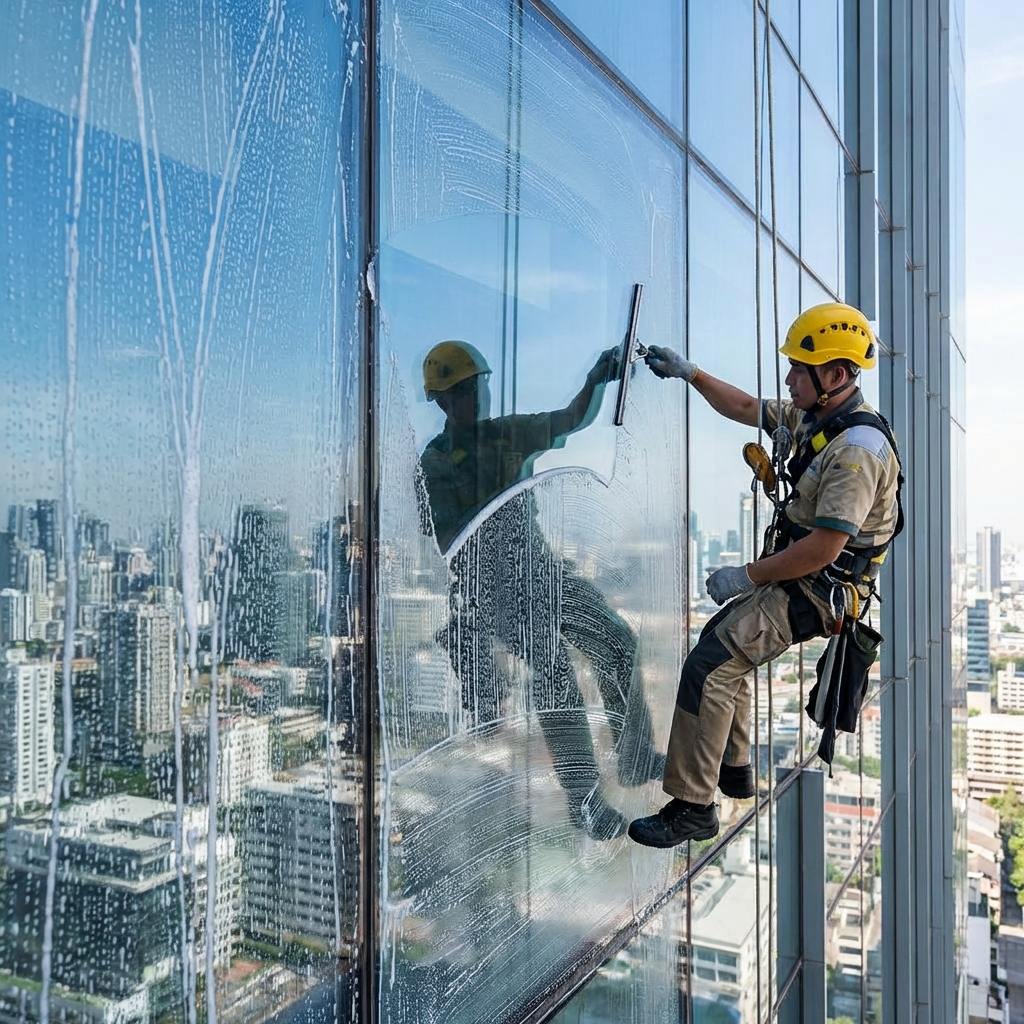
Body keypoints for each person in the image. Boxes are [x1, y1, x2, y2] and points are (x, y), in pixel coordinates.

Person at [627, 302, 902, 848]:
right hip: (801, 578)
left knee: (711, 665)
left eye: (800, 369)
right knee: (719, 644)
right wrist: (692, 374)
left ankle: (692, 807)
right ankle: (732, 767)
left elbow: (825, 547)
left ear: (836, 375)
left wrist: (747, 575)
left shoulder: (857, 451)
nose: (789, 378)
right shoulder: (820, 416)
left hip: (818, 589)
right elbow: (750, 406)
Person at [419, 340, 665, 841]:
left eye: (478, 386)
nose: (477, 397)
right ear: (443, 402)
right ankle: (586, 803)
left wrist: (597, 381)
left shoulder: (505, 434)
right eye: (466, 390)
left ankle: (636, 758)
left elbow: (570, 420)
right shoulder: (436, 461)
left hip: (540, 568)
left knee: (615, 639)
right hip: (493, 587)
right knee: (555, 675)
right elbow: (446, 535)